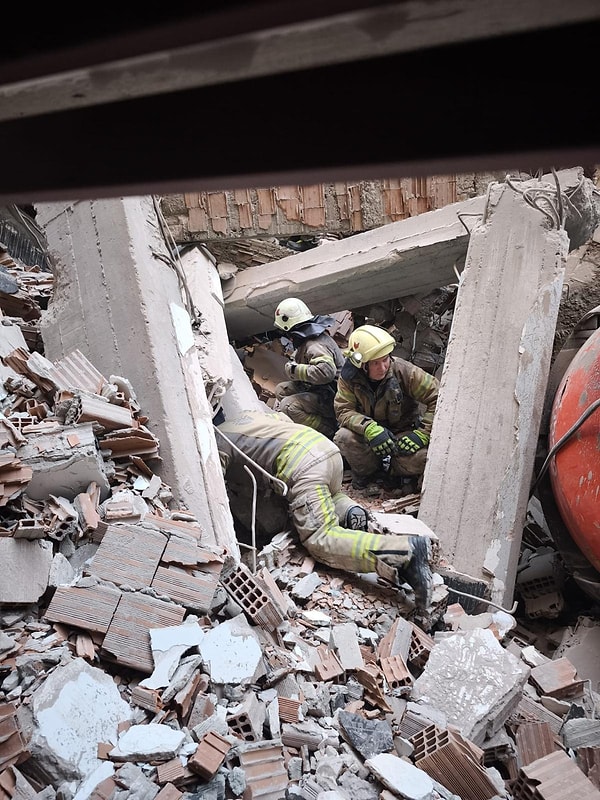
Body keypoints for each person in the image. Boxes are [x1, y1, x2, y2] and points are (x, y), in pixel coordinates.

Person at [214, 407, 434, 613]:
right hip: (325, 451)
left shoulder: (215, 442)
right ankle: (348, 512)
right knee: (328, 497)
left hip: (303, 465)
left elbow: (213, 493)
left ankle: (405, 553)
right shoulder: (245, 417)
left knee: (320, 537)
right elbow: (283, 418)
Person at [333, 324, 440, 491]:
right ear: (362, 364)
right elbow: (343, 410)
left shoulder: (404, 371)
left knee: (425, 458)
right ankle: (370, 474)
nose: (383, 368)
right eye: (375, 363)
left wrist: (422, 434)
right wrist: (369, 428)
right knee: (344, 437)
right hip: (368, 437)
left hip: (403, 434)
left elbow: (439, 397)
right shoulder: (349, 379)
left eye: (385, 360)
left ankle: (397, 473)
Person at [272, 297, 345, 439]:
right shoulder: (308, 338)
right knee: (282, 390)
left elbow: (325, 372)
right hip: (320, 389)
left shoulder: (314, 344)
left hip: (333, 396)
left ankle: (329, 431)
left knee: (288, 406)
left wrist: (294, 370)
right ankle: (309, 421)